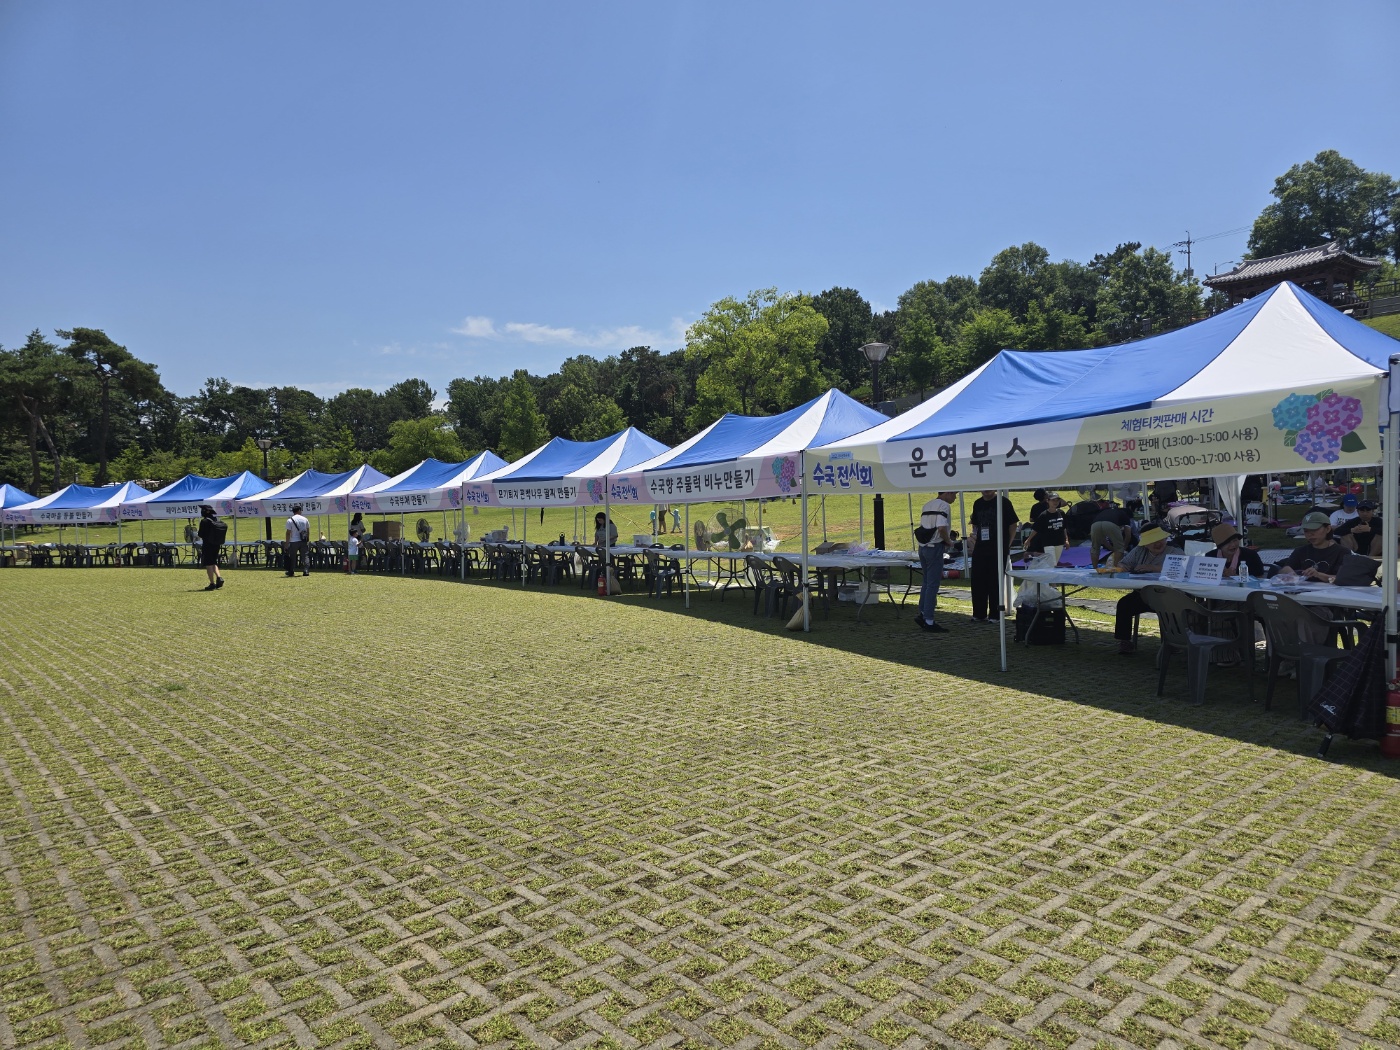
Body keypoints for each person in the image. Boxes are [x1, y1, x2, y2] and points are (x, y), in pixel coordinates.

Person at [1102, 526, 1183, 655]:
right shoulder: (1139, 550)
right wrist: (1122, 568)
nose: (1158, 544)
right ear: (1145, 544)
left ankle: (1172, 642)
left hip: (1167, 594)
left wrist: (1152, 568)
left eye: (1161, 540)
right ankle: (1125, 641)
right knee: (1124, 604)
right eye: (1153, 541)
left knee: (1169, 609)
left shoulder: (1174, 551)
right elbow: (1124, 564)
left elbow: (1180, 569)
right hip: (1143, 594)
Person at [967, 489, 1017, 623]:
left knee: (995, 581)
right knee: (978, 580)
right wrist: (974, 539)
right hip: (981, 547)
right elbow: (976, 525)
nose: (986, 492)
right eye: (984, 489)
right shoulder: (977, 503)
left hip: (999, 547)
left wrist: (1008, 544)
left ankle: (995, 614)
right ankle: (979, 613)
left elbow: (1013, 525)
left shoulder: (1003, 502)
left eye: (989, 489)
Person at [914, 490, 954, 633]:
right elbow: (941, 527)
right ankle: (929, 620)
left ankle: (923, 613)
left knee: (926, 582)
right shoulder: (944, 506)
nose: (955, 497)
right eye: (954, 494)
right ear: (947, 493)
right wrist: (948, 541)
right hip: (935, 547)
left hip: (922, 547)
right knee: (933, 584)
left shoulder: (927, 505)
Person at [1272, 511, 1347, 583]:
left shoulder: (1342, 553)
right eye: (1306, 531)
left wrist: (1319, 575)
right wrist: (1289, 573)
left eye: (1315, 530)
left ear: (1327, 529)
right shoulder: (1300, 551)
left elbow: (1342, 580)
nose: (1310, 534)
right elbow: (1284, 569)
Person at [1088, 499, 1133, 569]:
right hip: (1111, 524)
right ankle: (1115, 568)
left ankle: (1095, 568)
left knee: (1095, 548)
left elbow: (1103, 540)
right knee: (1119, 548)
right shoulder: (1124, 515)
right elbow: (1128, 534)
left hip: (1095, 524)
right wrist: (1124, 547)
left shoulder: (1107, 511)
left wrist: (1112, 549)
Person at [1025, 491, 1066, 565]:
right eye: (1053, 500)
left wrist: (1066, 540)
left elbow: (1064, 528)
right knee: (1051, 563)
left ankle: (1050, 575)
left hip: (1059, 542)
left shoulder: (1061, 513)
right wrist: (1028, 540)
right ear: (1048, 501)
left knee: (1055, 563)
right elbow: (1036, 529)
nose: (1055, 502)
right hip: (1048, 543)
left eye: (1057, 500)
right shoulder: (1043, 515)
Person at [196, 505, 226, 591]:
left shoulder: (204, 521)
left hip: (207, 544)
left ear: (206, 511)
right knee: (213, 562)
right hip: (216, 544)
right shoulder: (216, 520)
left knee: (208, 564)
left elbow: (200, 534)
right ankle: (219, 577)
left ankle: (212, 583)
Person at [285, 504, 311, 577]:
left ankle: (291, 570)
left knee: (292, 556)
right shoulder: (305, 519)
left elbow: (288, 533)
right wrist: (307, 539)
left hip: (293, 541)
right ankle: (306, 570)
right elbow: (308, 530)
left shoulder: (290, 520)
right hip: (303, 540)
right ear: (299, 510)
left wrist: (287, 543)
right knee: (305, 556)